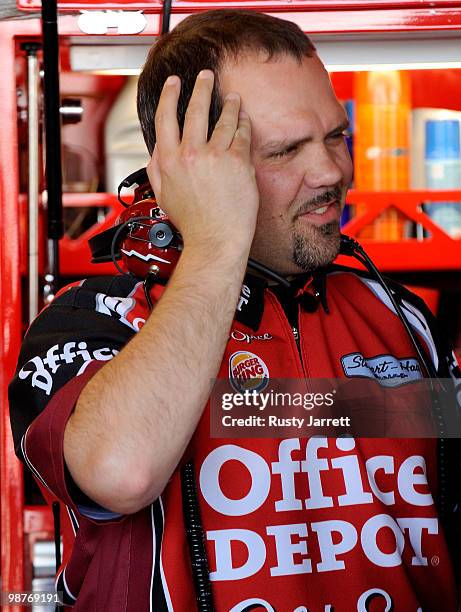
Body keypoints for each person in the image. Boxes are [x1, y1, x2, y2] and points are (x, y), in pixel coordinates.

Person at [8, 9, 461, 612]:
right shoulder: (94, 321)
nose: (331, 172)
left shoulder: (397, 318)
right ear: (186, 167)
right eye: (284, 151)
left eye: (335, 136)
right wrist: (216, 239)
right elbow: (121, 471)